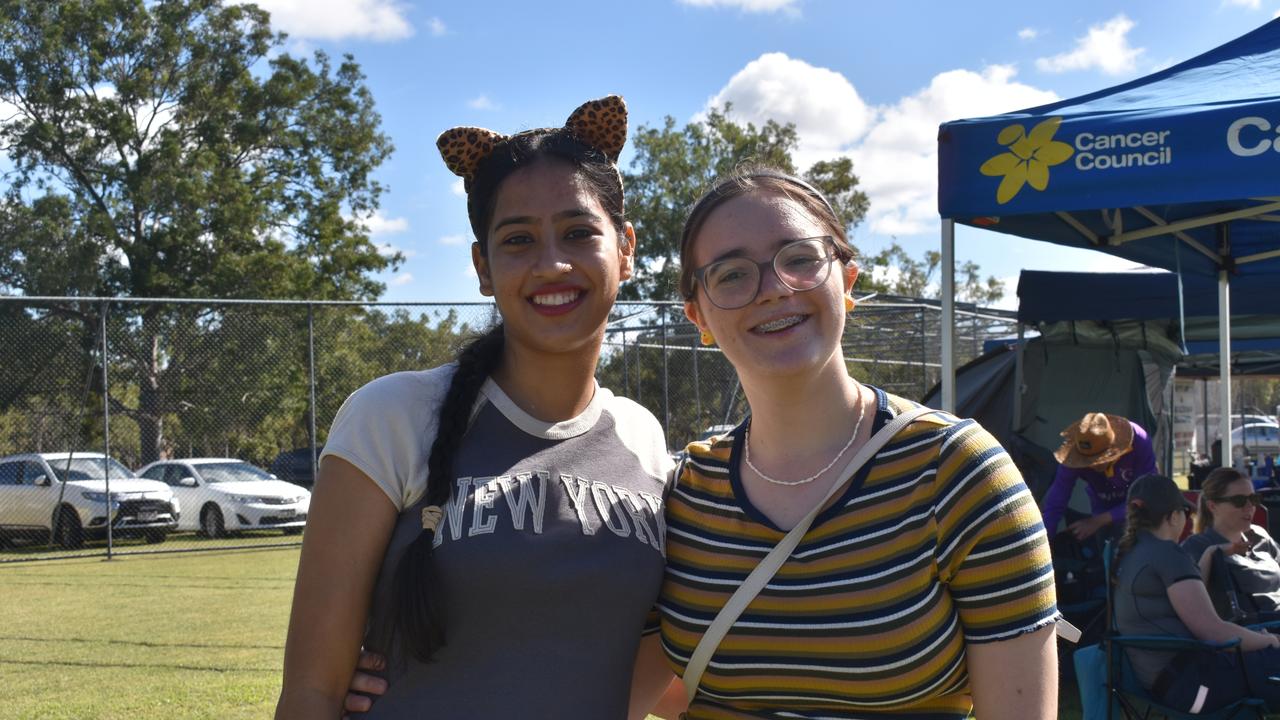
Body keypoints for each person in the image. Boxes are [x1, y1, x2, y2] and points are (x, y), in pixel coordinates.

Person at [342, 167, 1061, 719]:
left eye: (800, 258)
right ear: (699, 315)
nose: (774, 288)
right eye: (732, 274)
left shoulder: (961, 476)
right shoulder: (683, 491)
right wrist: (412, 684)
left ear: (846, 277)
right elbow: (612, 684)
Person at [275, 95, 678, 719]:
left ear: (625, 248)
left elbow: (646, 664)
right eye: (518, 240)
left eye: (578, 232)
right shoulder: (394, 415)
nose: (552, 264)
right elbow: (312, 691)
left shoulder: (643, 436)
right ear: (482, 267)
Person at [1112, 473, 1280, 712]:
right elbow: (1212, 631)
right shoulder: (1168, 554)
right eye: (1186, 513)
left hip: (1170, 684)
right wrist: (1270, 640)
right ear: (1173, 516)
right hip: (1195, 687)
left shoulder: (1128, 553)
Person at [1041, 412, 1157, 541]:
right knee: (1103, 547)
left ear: (1113, 449)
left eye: (1097, 460)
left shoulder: (1139, 441)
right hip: (1101, 502)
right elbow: (1057, 499)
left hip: (1140, 510)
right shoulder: (1072, 457)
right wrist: (1044, 541)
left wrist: (1097, 521)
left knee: (1141, 542)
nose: (1092, 466)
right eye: (1086, 461)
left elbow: (1146, 496)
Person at [1183, 467, 1280, 619]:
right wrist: (1213, 553)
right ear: (1213, 506)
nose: (1250, 507)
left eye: (1253, 499)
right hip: (1254, 633)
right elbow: (1190, 604)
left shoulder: (1260, 537)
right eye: (1239, 501)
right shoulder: (1198, 546)